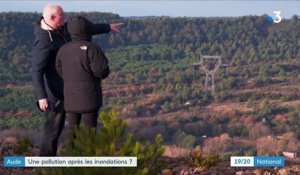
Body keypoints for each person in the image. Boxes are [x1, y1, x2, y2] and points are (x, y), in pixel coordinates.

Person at [31, 4, 123, 156]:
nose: (65, 17)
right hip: (55, 94)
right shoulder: (43, 41)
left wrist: (107, 27)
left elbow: (84, 29)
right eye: (62, 15)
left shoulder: (61, 28)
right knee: (53, 128)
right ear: (53, 18)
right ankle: (45, 163)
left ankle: (75, 160)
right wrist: (42, 97)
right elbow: (36, 70)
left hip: (70, 89)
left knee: (73, 127)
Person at [56, 16, 109, 138]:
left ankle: (72, 154)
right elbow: (102, 71)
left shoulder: (63, 49)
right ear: (87, 30)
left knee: (72, 131)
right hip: (90, 96)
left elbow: (59, 70)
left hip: (70, 96)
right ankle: (88, 156)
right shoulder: (92, 48)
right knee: (90, 133)